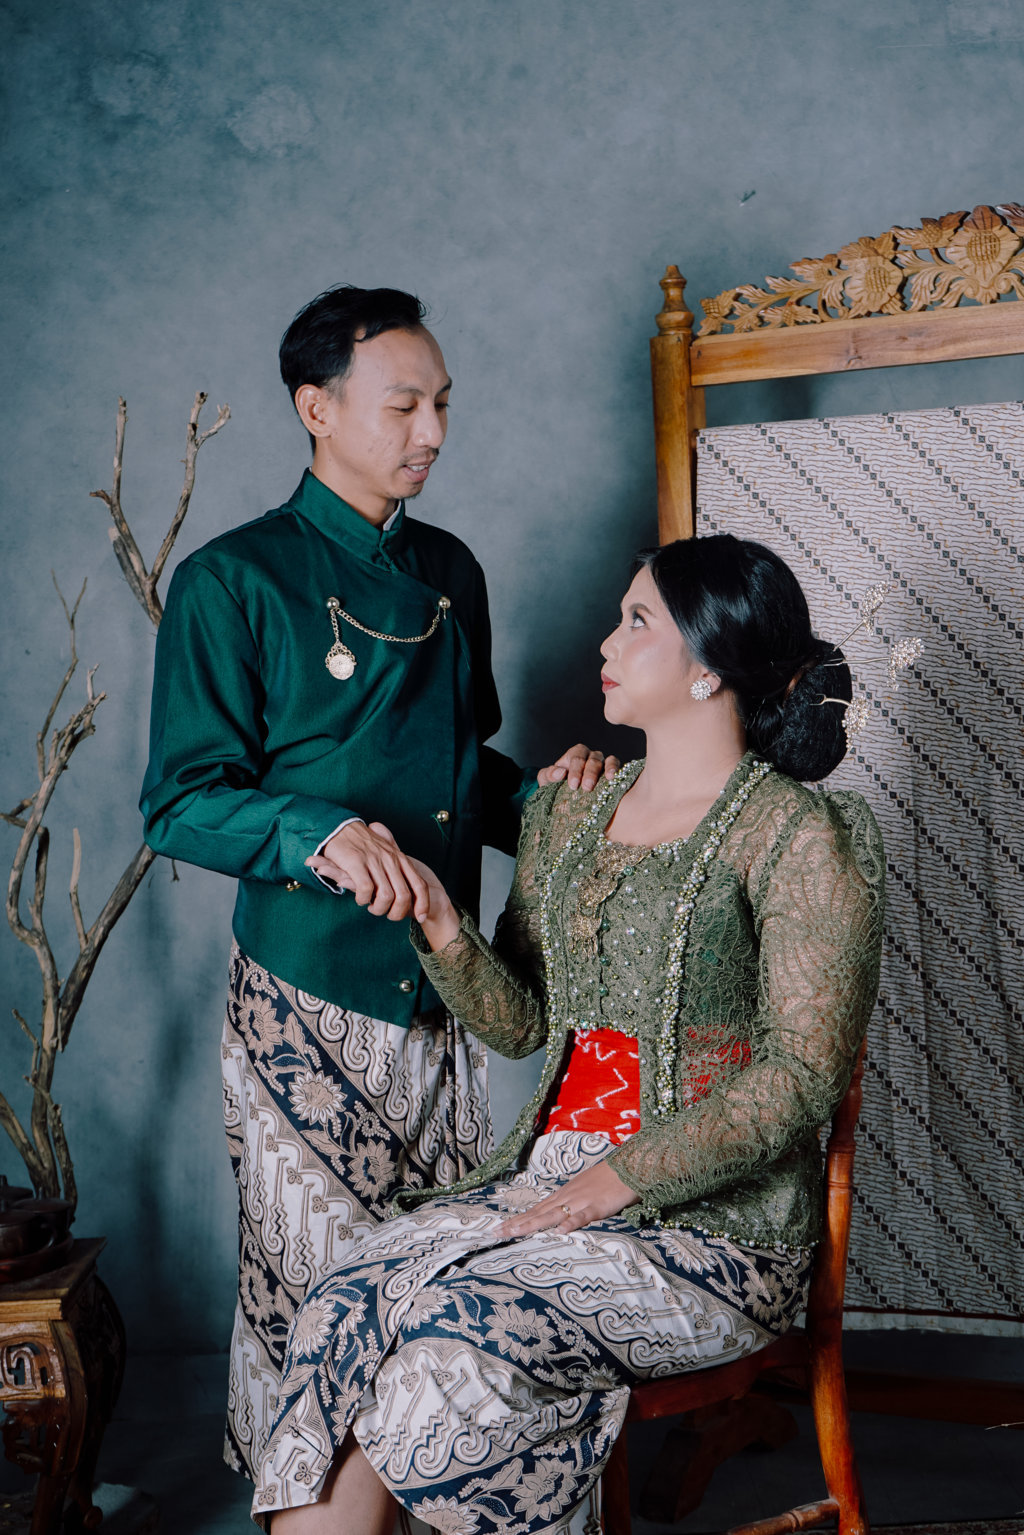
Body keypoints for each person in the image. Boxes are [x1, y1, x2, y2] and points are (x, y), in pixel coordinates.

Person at [252, 533, 886, 1534]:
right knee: (343, 1303)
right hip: (541, 1191)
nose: (606, 640)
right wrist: (442, 925)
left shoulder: (800, 834)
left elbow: (800, 1074)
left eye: (637, 621)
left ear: (709, 664)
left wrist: (620, 1176)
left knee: (442, 1345)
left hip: (715, 1232)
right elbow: (523, 1027)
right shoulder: (568, 812)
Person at [140, 285, 615, 1478]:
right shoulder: (230, 579)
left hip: (448, 986)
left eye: (442, 403)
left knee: (433, 1280)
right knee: (318, 1289)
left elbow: (464, 771)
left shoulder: (449, 567)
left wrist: (567, 807)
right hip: (307, 989)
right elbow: (180, 800)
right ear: (316, 407)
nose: (433, 431)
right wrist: (318, 830)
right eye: (403, 405)